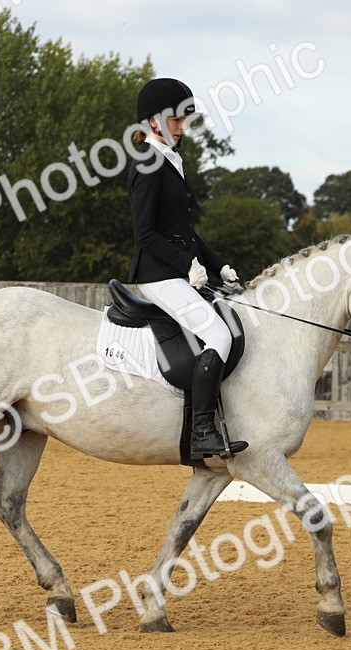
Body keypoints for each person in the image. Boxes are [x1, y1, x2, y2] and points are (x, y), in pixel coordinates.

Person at [127, 77, 246, 460]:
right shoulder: (149, 162)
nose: (181, 127)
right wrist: (187, 264)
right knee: (219, 336)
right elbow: (145, 233)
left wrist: (218, 265)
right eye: (174, 120)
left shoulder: (171, 160)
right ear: (153, 121)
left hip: (177, 271)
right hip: (156, 274)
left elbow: (184, 231)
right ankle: (202, 433)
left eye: (184, 120)